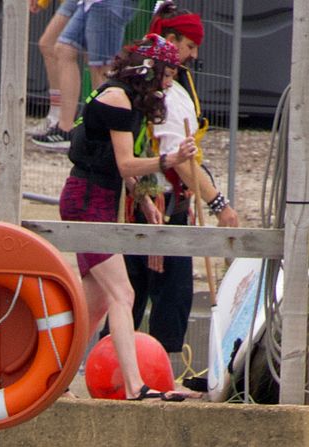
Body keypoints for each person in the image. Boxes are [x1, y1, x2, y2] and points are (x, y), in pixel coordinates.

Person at [60, 37, 196, 402]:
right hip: (87, 200)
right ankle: (135, 385)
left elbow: (121, 168)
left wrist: (145, 200)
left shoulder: (127, 97)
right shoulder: (117, 98)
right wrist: (170, 160)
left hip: (101, 199)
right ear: (149, 70)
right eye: (167, 75)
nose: (169, 83)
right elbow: (124, 163)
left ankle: (55, 377)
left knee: (98, 303)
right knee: (124, 293)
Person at [125, 5, 241, 365]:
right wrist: (219, 205)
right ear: (170, 41)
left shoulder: (169, 87)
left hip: (166, 201)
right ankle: (150, 370)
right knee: (158, 293)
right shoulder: (161, 94)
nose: (194, 54)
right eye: (189, 45)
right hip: (155, 204)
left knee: (148, 293)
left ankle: (143, 367)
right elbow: (183, 161)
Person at [31, 0, 134, 152]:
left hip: (106, 4)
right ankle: (65, 128)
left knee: (100, 69)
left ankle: (102, 136)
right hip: (88, 3)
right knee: (64, 49)